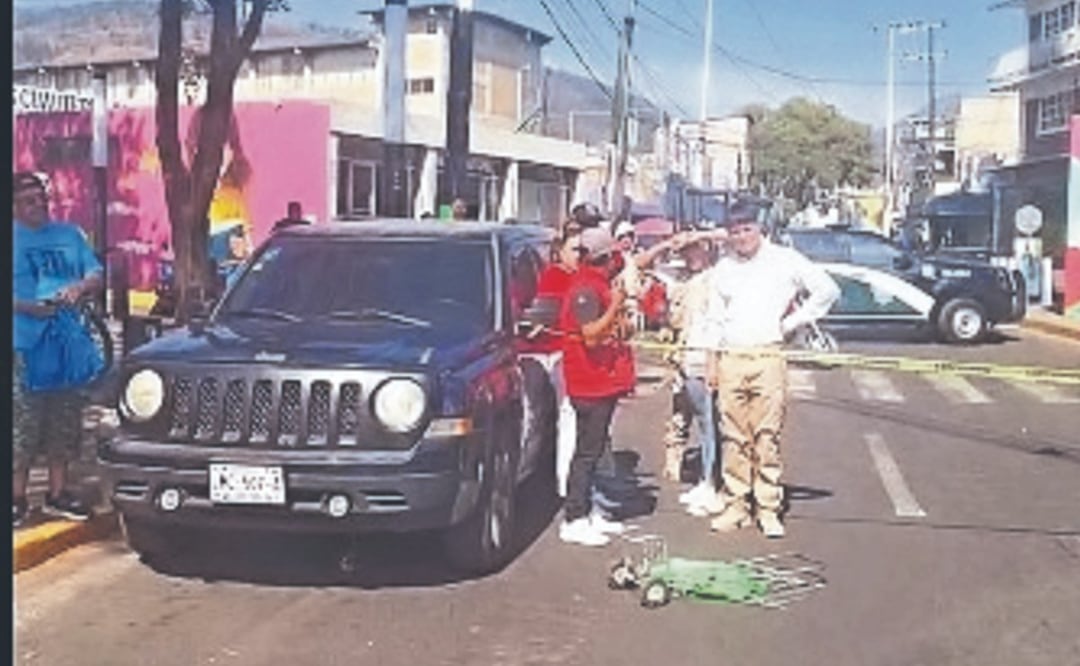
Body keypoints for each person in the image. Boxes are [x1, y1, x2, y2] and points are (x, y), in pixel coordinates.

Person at [703, 200, 839, 538]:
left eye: (747, 230)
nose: (741, 238)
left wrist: (792, 322)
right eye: (734, 232)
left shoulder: (784, 260)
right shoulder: (723, 268)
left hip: (767, 356)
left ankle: (767, 507)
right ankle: (736, 504)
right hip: (731, 356)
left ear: (759, 229)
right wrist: (711, 362)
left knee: (766, 438)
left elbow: (827, 290)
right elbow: (713, 319)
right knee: (734, 437)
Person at [12, 171, 103, 526]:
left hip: (66, 346)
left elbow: (95, 273)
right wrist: (25, 307)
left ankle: (58, 492)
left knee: (64, 422)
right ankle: (17, 498)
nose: (38, 207)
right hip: (23, 346)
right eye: (29, 201)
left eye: (42, 200)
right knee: (23, 423)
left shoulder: (69, 235)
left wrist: (80, 288)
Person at [558, 226, 636, 547]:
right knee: (586, 452)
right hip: (589, 382)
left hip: (603, 381)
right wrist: (616, 304)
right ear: (605, 258)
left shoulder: (599, 284)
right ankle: (575, 516)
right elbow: (590, 334)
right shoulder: (585, 288)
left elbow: (611, 330)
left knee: (596, 447)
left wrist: (622, 318)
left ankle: (589, 506)